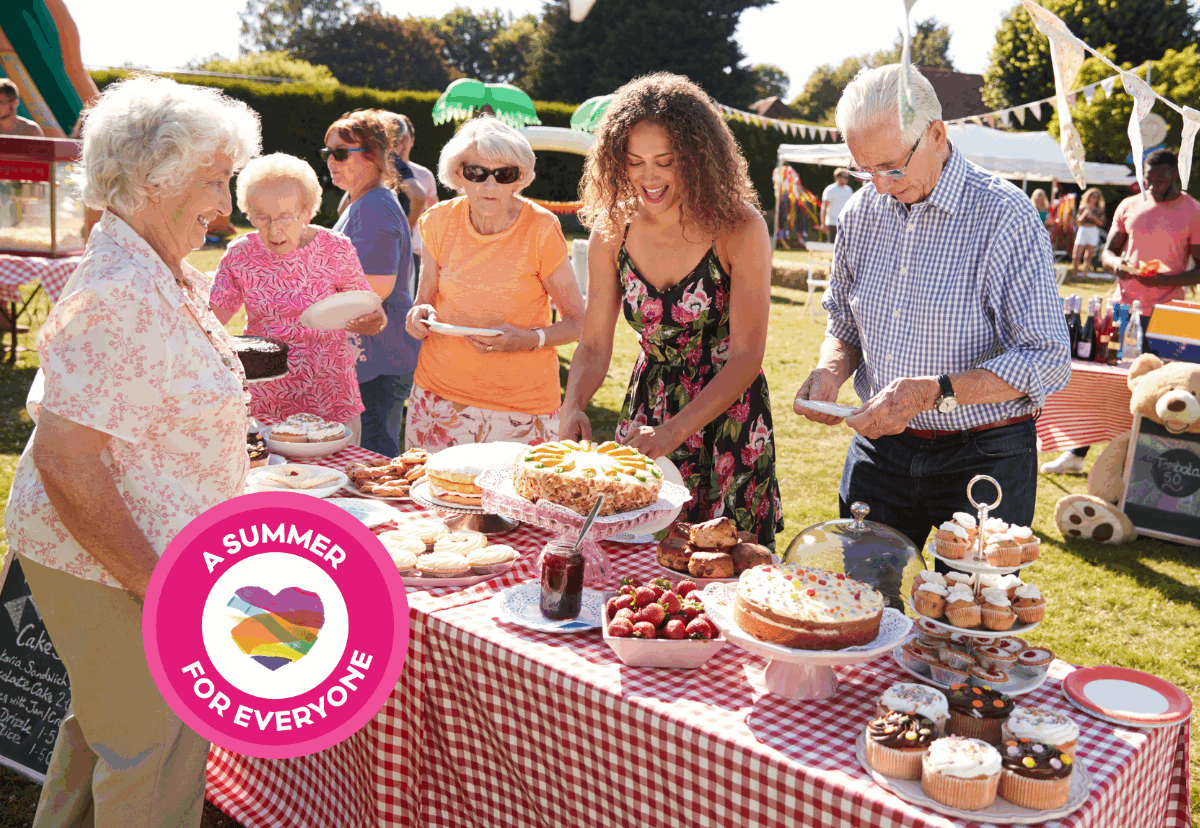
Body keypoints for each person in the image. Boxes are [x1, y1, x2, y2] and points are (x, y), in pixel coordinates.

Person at [4, 75, 259, 827]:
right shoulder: (119, 289)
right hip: (107, 559)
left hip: (140, 551)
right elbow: (67, 462)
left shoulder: (158, 269)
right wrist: (156, 583)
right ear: (156, 179)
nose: (226, 204)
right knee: (151, 747)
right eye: (216, 181)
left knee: (102, 730)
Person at [794, 64, 1071, 553]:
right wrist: (830, 369)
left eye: (892, 168)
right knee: (867, 605)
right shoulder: (861, 213)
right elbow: (843, 321)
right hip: (881, 450)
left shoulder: (1004, 215)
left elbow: (1046, 357)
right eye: (865, 169)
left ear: (937, 135)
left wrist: (935, 391)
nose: (878, 185)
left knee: (966, 618)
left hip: (984, 452)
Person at [562, 73, 783, 546]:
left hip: (731, 418)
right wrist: (573, 404)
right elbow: (596, 342)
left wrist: (673, 432)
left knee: (726, 569)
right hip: (647, 411)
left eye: (665, 161)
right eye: (635, 161)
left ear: (698, 157)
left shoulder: (739, 227)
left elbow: (747, 356)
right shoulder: (611, 229)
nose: (648, 177)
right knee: (638, 562)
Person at [404, 115, 584, 449]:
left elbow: (578, 323)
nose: (490, 186)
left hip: (520, 408)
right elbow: (424, 302)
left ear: (520, 178)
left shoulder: (541, 228)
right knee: (429, 497)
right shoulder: (438, 221)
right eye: (477, 173)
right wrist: (417, 317)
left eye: (504, 174)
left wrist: (530, 339)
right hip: (438, 399)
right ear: (458, 174)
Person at [1042, 149, 1200, 474]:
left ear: (1174, 176)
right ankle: (1076, 453)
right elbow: (1108, 253)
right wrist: (1121, 267)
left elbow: (1199, 269)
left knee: (1163, 386)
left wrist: (1164, 278)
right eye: (1147, 179)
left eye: (1159, 180)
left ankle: (1157, 461)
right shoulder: (1129, 205)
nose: (1152, 186)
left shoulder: (1193, 210)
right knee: (1108, 380)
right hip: (1124, 308)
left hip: (1168, 314)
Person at [209, 153, 387, 440]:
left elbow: (370, 311)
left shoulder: (335, 249)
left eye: (284, 217)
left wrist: (373, 322)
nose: (272, 229)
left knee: (335, 481)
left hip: (331, 397)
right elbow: (210, 323)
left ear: (307, 212)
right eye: (261, 217)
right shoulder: (241, 254)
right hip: (267, 401)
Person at [325, 109, 420, 457]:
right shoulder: (363, 202)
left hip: (380, 359)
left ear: (374, 155)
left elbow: (372, 290)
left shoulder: (374, 207)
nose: (331, 161)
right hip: (375, 357)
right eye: (327, 153)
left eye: (339, 152)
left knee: (375, 461)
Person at [398, 112, 439, 298]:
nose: (401, 142)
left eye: (405, 137)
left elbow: (435, 214)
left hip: (414, 254)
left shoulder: (424, 175)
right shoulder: (375, 171)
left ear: (410, 140)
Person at [1068, 188, 1106, 280]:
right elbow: (1078, 222)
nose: (1094, 199)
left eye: (1096, 197)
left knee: (1088, 255)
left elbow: (1101, 223)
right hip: (1083, 229)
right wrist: (1084, 214)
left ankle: (1085, 274)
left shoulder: (1099, 210)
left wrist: (1094, 218)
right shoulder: (1082, 208)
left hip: (1093, 230)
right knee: (1076, 254)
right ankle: (1075, 273)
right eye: (1092, 196)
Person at [820, 167, 854, 243]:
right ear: (837, 177)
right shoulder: (830, 189)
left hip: (845, 223)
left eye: (847, 177)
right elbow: (824, 208)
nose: (846, 179)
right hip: (832, 222)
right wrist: (823, 223)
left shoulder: (849, 190)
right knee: (832, 246)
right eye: (844, 177)